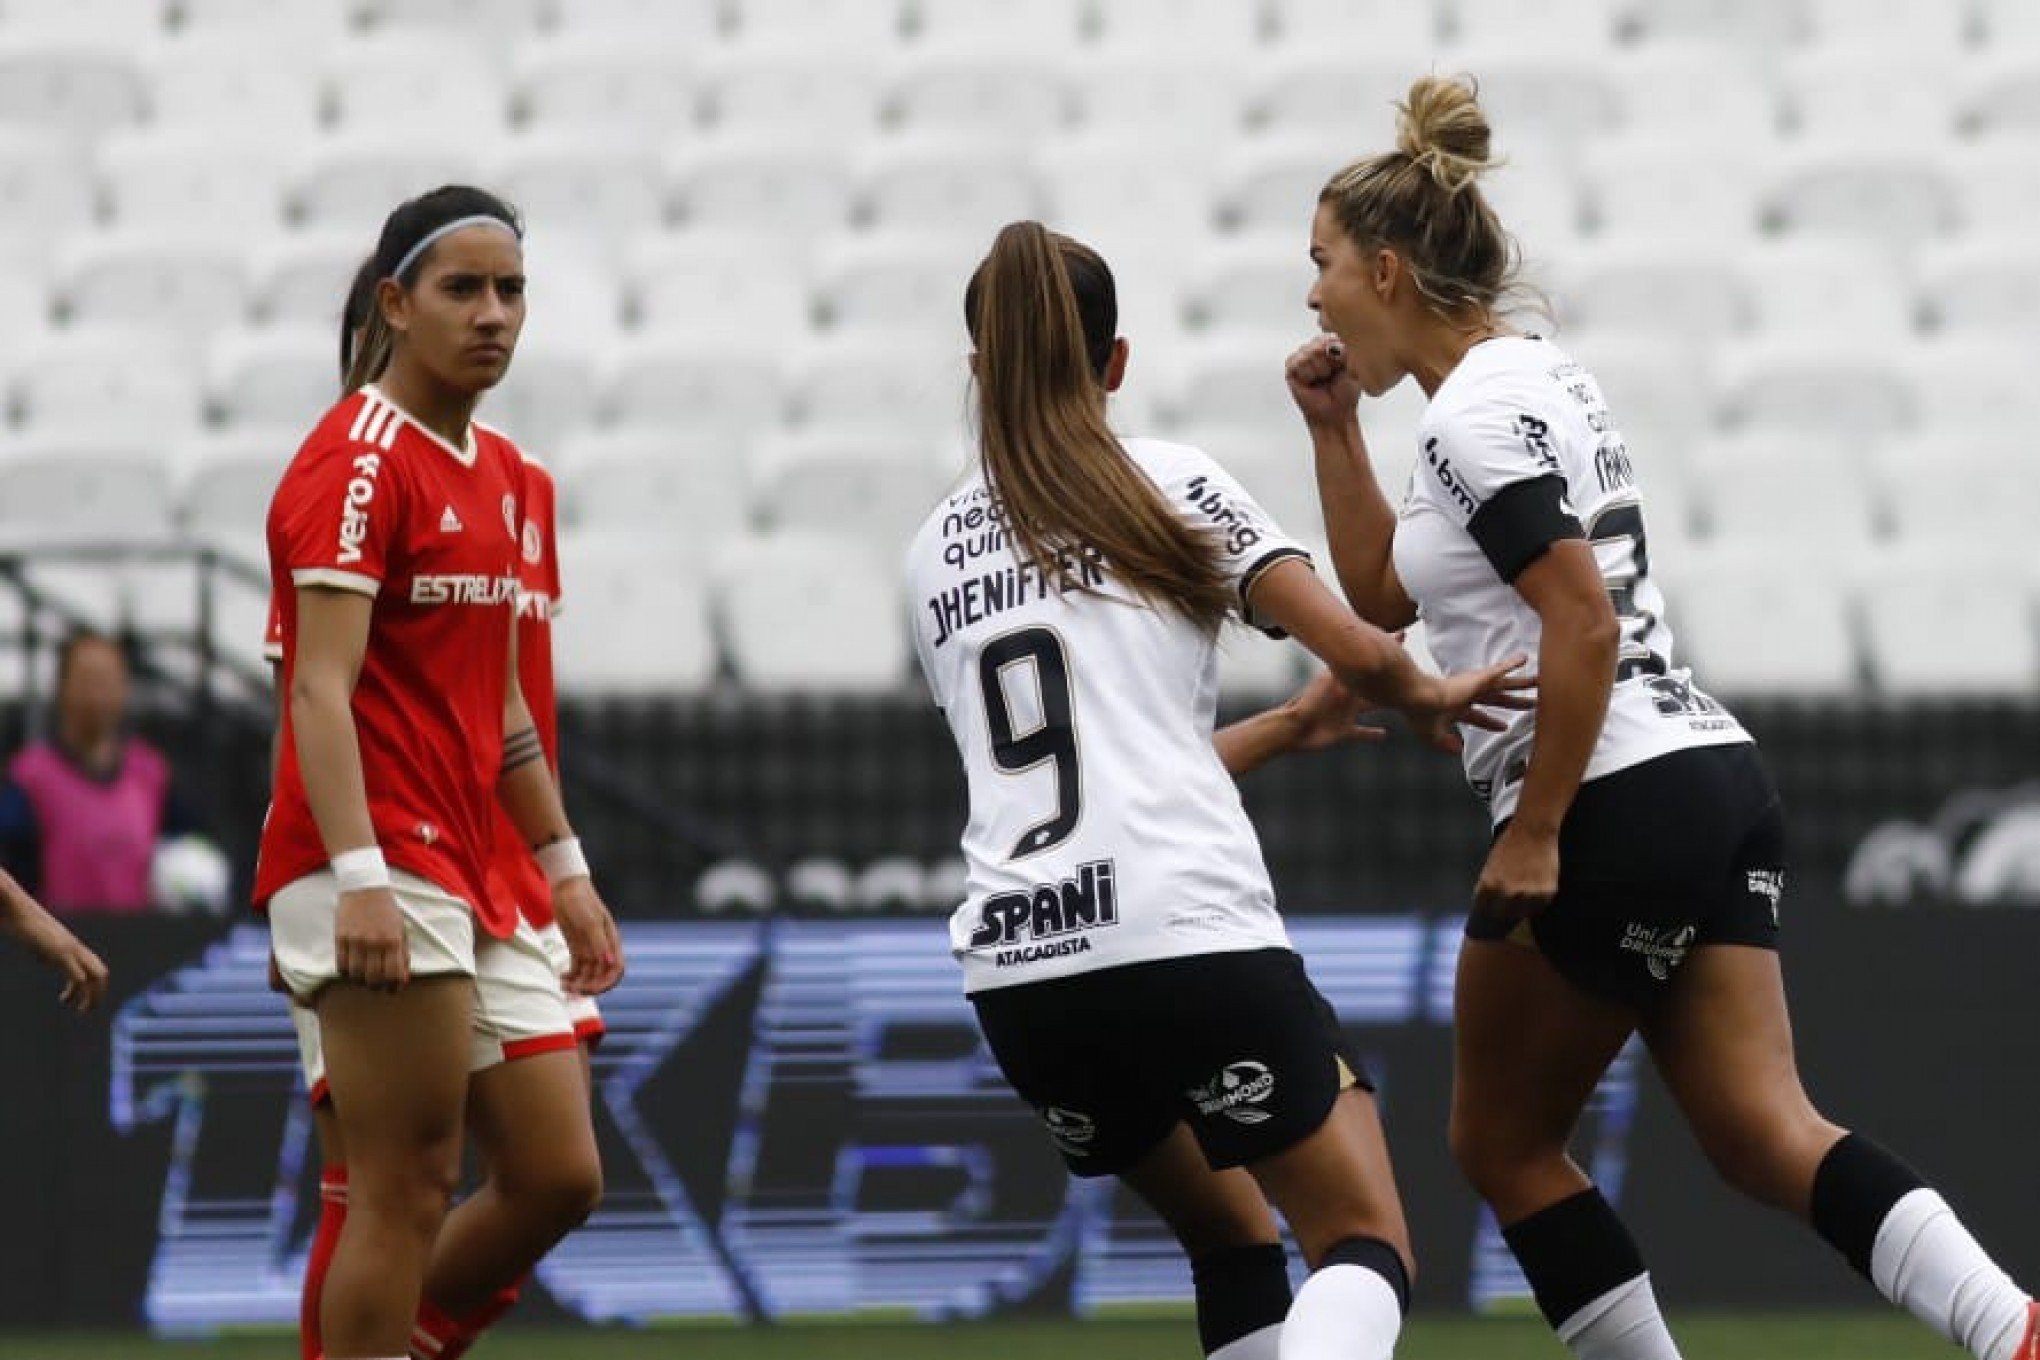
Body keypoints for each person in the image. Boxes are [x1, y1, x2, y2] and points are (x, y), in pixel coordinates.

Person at [1285, 72, 2039, 1360]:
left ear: (1392, 272)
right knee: (1762, 1130)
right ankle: (2010, 1326)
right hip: (1707, 772)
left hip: (1610, 793)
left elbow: (1579, 621)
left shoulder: (1472, 417)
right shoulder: (1531, 383)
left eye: (1324, 263)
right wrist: (1333, 431)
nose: (1311, 292)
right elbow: (1381, 595)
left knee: (1499, 1141)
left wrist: (1537, 829)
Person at [907, 220, 1532, 1360]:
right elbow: (1359, 642)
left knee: (1236, 1241)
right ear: (1116, 365)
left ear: (977, 369)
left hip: (1023, 972)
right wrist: (1425, 694)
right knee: (1364, 1240)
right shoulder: (1167, 482)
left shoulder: (934, 552)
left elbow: (1090, 768)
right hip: (1182, 937)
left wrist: (1289, 728)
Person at [258, 185, 624, 1360]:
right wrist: (358, 873)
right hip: (374, 853)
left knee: (559, 1172)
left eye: (511, 290)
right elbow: (318, 689)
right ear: (395, 302)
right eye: (463, 288)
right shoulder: (358, 462)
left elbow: (504, 702)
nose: (494, 314)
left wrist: (562, 865)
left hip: (481, 865)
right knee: (403, 1184)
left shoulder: (511, 474)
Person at [0, 629, 210, 913]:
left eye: (109, 680)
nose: (98, 693)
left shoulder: (150, 773)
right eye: (87, 680)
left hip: (141, 941)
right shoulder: (31, 777)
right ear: (62, 687)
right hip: (61, 943)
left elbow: (194, 849)